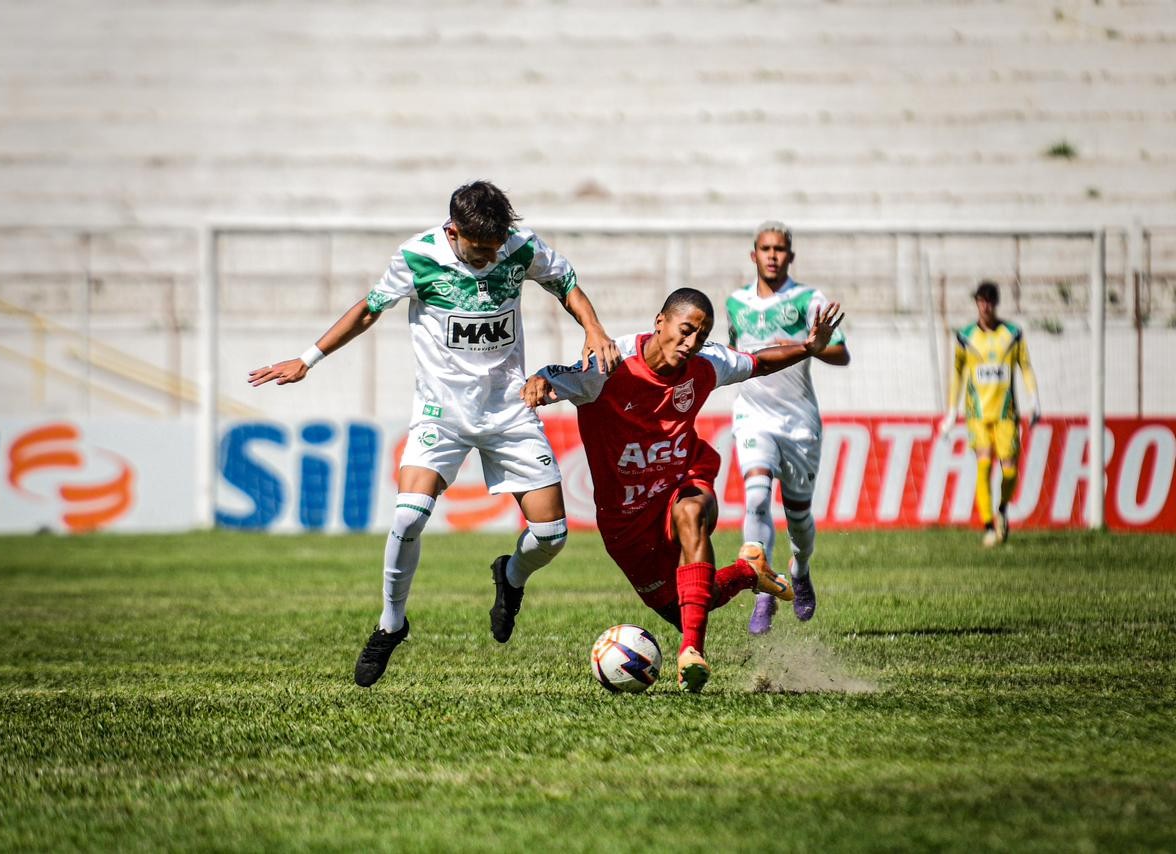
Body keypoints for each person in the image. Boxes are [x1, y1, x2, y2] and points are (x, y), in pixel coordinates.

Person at [248, 180, 621, 687]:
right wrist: (308, 360)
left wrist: (593, 328)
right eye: (478, 249)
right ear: (453, 232)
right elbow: (367, 309)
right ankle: (390, 624)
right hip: (439, 414)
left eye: (496, 248)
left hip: (508, 410)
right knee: (408, 516)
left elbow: (566, 284)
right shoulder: (417, 257)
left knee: (552, 536)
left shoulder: (520, 246)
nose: (490, 259)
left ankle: (510, 578)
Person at [522, 287, 843, 693]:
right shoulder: (608, 366)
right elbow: (557, 376)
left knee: (691, 514)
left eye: (701, 337)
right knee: (692, 604)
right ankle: (749, 571)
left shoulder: (706, 364)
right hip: (626, 522)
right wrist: (539, 380)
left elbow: (757, 362)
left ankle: (692, 652)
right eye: (686, 331)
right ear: (661, 322)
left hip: (684, 479)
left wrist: (809, 348)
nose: (691, 344)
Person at [725, 221, 851, 637]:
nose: (773, 255)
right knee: (757, 495)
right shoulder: (735, 303)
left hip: (798, 420)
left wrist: (815, 346)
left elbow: (841, 354)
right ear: (753, 255)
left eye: (780, 249)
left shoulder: (808, 299)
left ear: (790, 256)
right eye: (766, 248)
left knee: (798, 517)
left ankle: (800, 570)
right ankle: (762, 589)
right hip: (753, 414)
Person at [938, 280, 1041, 547]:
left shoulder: (1012, 334)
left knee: (1009, 470)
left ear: (996, 303)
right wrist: (951, 413)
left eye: (989, 301)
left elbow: (1025, 367)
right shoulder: (965, 337)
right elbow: (958, 375)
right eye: (981, 301)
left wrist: (1034, 399)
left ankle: (1002, 509)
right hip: (977, 414)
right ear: (976, 303)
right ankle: (988, 525)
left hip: (1006, 412)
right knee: (983, 464)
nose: (985, 306)